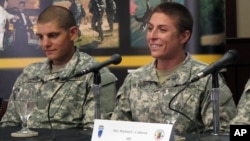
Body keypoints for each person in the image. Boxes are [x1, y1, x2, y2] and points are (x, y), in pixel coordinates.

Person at [111, 2, 236, 134]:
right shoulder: (134, 79)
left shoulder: (206, 78)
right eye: (150, 28)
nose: (152, 36)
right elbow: (117, 130)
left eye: (162, 30)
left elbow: (223, 134)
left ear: (184, 36)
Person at [0, 5, 117, 129]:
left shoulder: (95, 75)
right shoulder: (30, 73)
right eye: (40, 37)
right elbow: (9, 125)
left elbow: (94, 132)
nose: (45, 44)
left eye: (53, 35)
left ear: (72, 33)